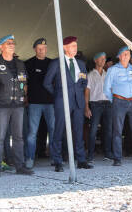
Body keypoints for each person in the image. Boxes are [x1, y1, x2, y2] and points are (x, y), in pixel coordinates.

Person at [0, 35, 32, 178]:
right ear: (1, 47)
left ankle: (20, 166)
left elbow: (24, 83)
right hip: (0, 107)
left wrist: (23, 95)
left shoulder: (20, 64)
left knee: (18, 137)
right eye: (8, 43)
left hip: (18, 106)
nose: (11, 45)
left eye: (13, 43)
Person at [43, 36, 91, 172]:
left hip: (78, 101)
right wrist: (58, 94)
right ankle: (57, 161)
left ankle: (81, 160)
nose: (75, 48)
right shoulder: (56, 63)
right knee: (59, 130)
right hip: (62, 101)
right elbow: (47, 83)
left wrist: (78, 90)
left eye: (76, 46)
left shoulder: (80, 64)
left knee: (78, 131)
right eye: (72, 46)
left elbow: (84, 81)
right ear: (64, 47)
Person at [104, 47, 132, 166]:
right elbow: (107, 88)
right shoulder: (112, 70)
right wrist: (113, 100)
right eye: (123, 54)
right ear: (119, 56)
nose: (126, 56)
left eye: (128, 54)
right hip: (119, 101)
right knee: (118, 131)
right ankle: (117, 158)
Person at [24, 38, 55, 169]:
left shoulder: (52, 63)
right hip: (34, 103)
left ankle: (55, 158)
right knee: (32, 132)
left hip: (50, 102)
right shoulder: (28, 63)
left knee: (53, 130)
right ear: (35, 49)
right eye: (39, 48)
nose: (42, 50)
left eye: (44, 48)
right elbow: (23, 83)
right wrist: (24, 97)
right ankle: (30, 158)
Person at [85, 51, 114, 161]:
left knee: (108, 129)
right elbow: (87, 91)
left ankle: (108, 153)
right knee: (93, 130)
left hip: (108, 104)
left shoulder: (107, 75)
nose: (103, 61)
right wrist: (86, 107)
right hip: (95, 104)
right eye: (101, 59)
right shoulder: (90, 75)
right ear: (95, 60)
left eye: (104, 59)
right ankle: (91, 154)